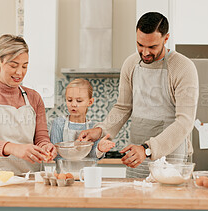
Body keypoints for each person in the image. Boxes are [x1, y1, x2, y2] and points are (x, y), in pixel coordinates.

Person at [78, 12, 199, 178]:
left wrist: (147, 149)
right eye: (140, 44)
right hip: (136, 154)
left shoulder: (183, 67)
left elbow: (185, 121)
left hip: (170, 156)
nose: (145, 52)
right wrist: (101, 130)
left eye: (152, 47)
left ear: (166, 38)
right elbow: (122, 108)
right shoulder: (131, 64)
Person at [0, 34, 57, 175]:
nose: (19, 72)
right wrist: (14, 148)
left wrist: (46, 147)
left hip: (30, 178)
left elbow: (41, 138)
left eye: (24, 66)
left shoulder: (34, 98)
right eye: (13, 65)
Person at [50, 79, 115, 164]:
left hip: (86, 174)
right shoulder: (58, 123)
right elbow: (55, 154)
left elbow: (92, 157)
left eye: (79, 101)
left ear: (90, 102)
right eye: (69, 100)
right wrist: (74, 148)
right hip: (63, 173)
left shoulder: (94, 128)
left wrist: (99, 149)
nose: (73, 104)